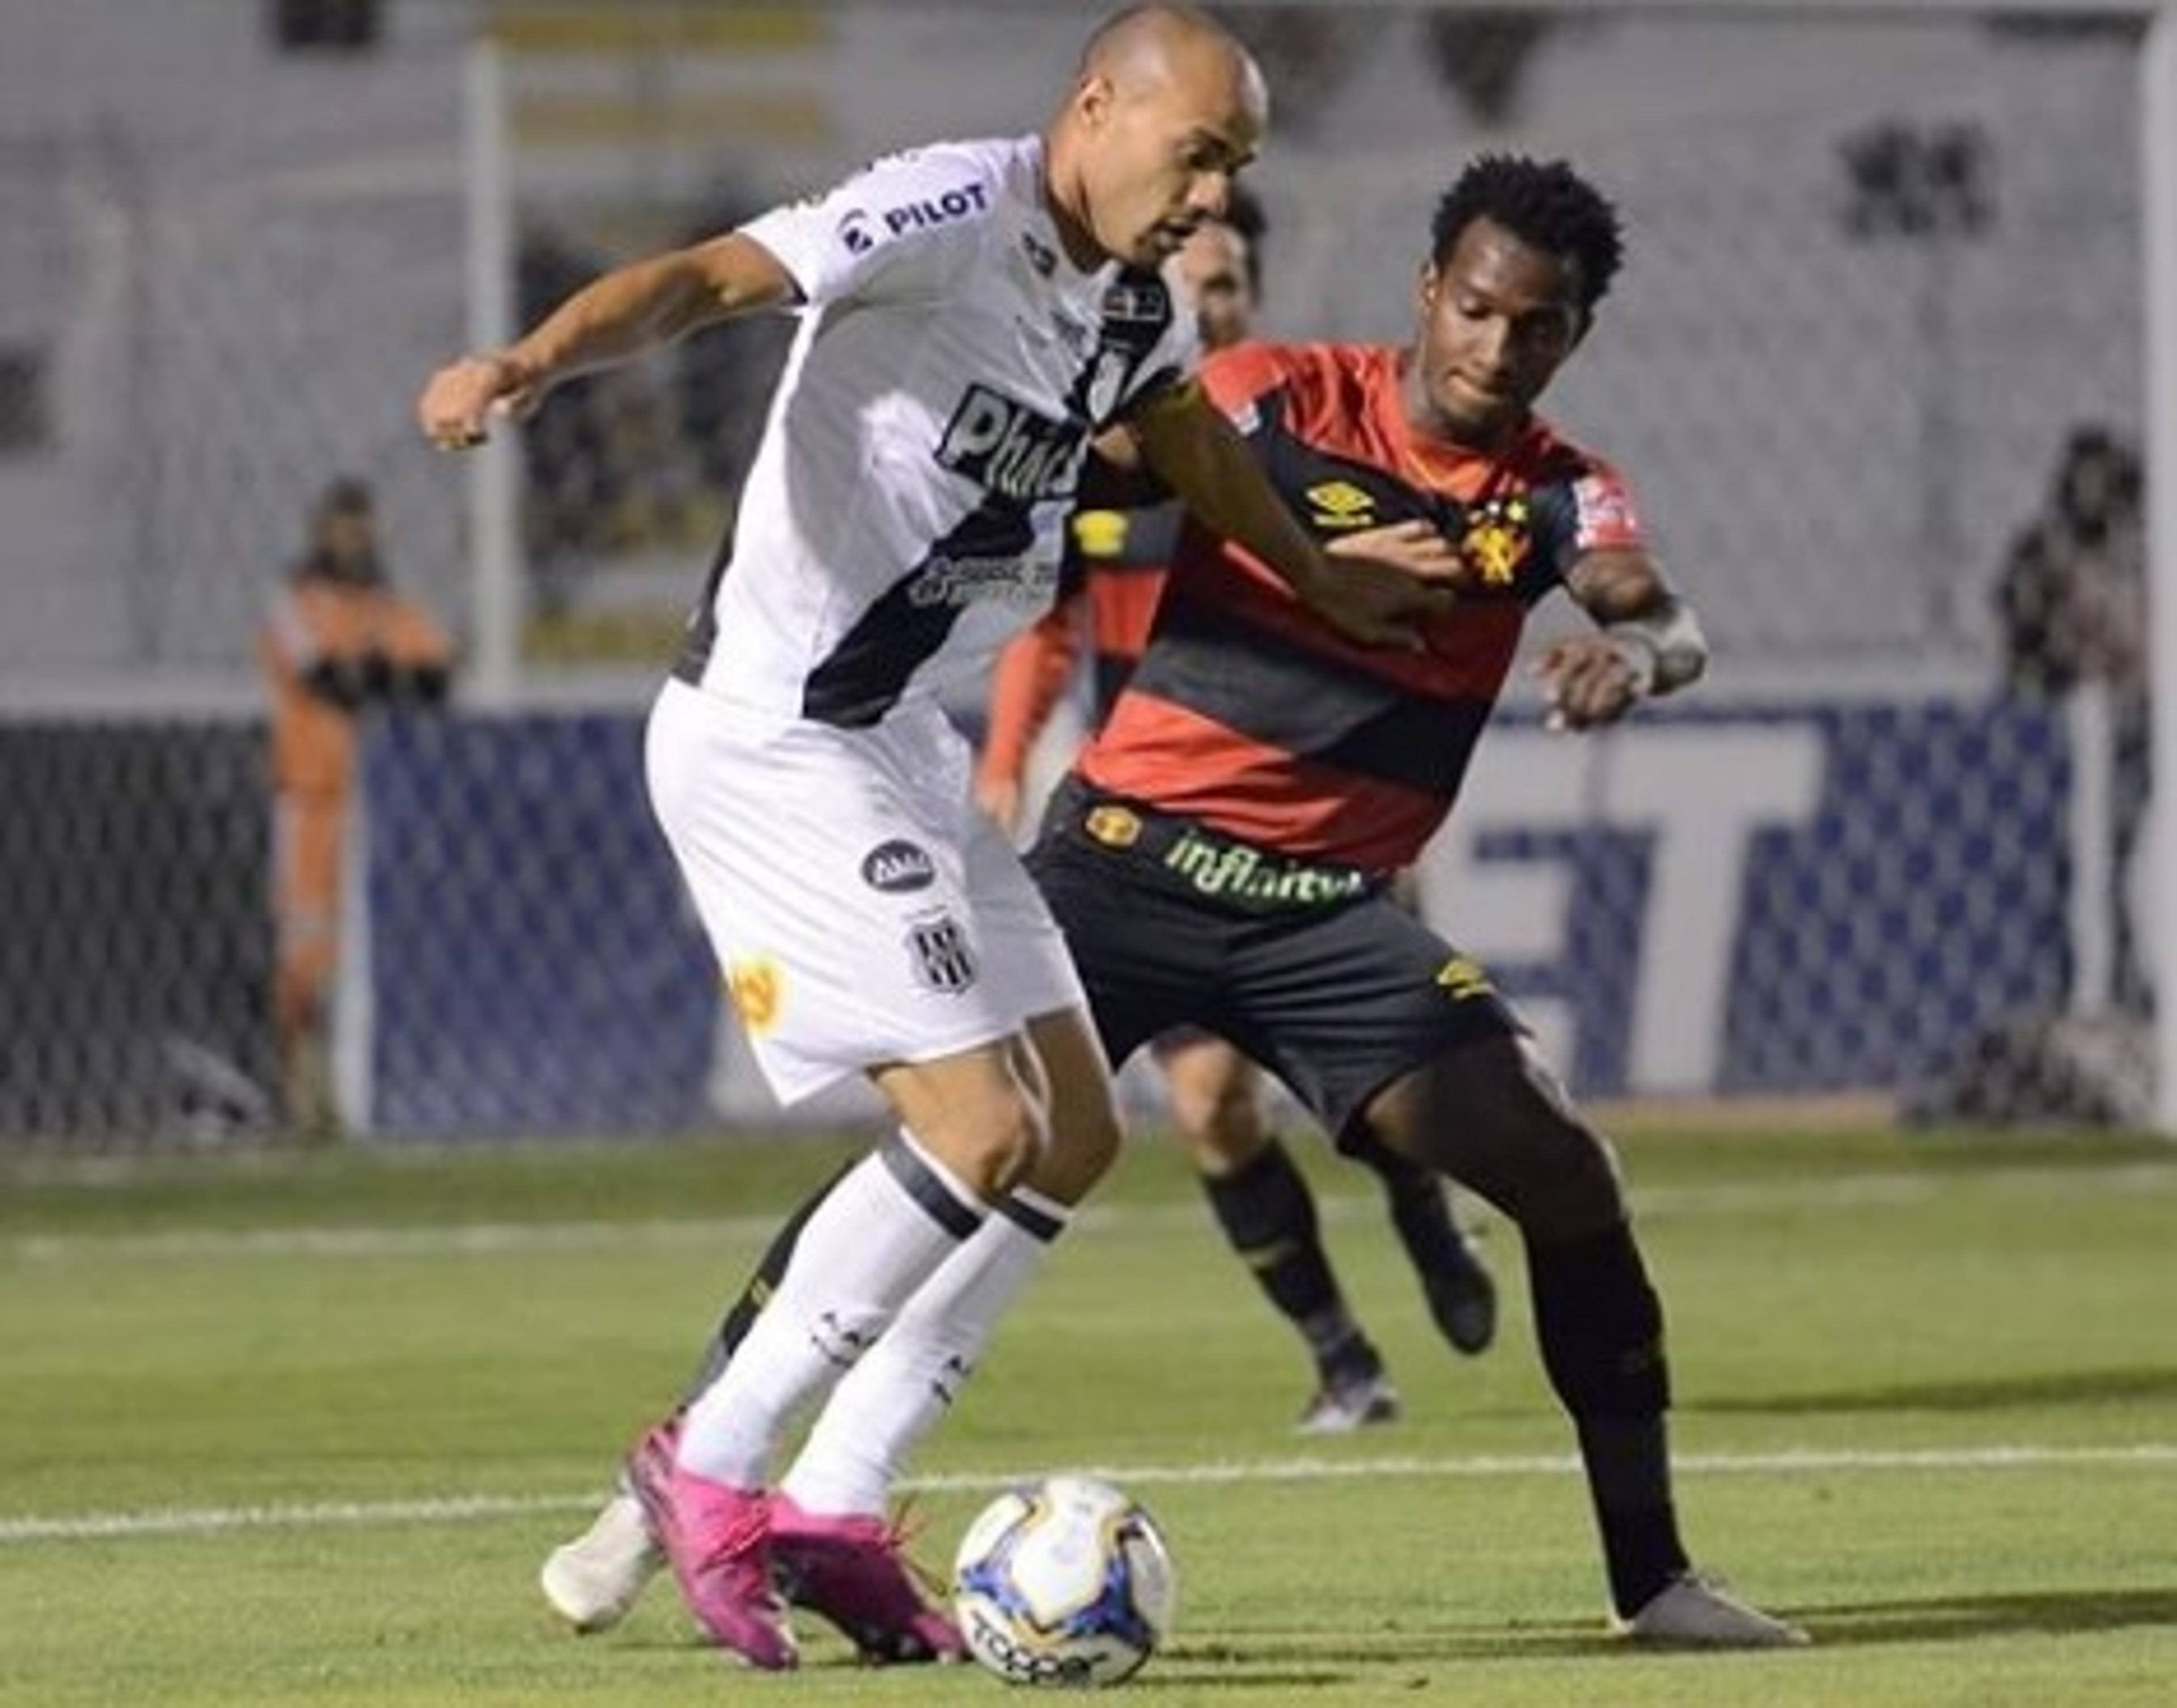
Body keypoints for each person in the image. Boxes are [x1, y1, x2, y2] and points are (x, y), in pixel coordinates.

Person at [545, 151, 1810, 1654]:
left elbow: (1651, 604)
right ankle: (688, 1468)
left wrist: (1638, 658)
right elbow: (1085, 466)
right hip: (1124, 863)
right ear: (1429, 292)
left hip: (1323, 918)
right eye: (1475, 308)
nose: (1495, 347)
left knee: (1563, 1169)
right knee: (953, 1148)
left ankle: (1653, 1576)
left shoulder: (1556, 494)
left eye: (1535, 328)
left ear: (1571, 337)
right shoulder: (1274, 395)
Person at [418, 3, 1461, 1673]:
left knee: (1069, 1133)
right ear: (1097, 107)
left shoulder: (1128, 304)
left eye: (1234, 173)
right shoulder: (944, 211)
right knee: (975, 1123)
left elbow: (1190, 446)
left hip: (901, 741)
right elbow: (705, 279)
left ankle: (837, 1500)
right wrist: (532, 361)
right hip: (773, 736)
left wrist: (1333, 577)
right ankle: (716, 1459)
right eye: (1199, 156)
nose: (1210, 200)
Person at [975, 187, 1497, 1434]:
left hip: (1317, 815)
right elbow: (1046, 620)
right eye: (1188, 284)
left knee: (1377, 1104)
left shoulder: (1317, 441)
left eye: (1226, 285)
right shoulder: (1113, 455)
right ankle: (1344, 1359)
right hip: (1159, 830)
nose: (1207, 305)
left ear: (1254, 293)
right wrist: (1003, 761)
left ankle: (1421, 1204)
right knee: (1209, 1107)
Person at [257, 477, 454, 1131]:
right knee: (307, 948)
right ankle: (302, 1093)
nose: (355, 541)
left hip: (383, 805)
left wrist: (375, 674)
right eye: (344, 527)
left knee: (376, 946)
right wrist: (379, 674)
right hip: (312, 800)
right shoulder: (296, 604)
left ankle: (364, 1089)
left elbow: (433, 678)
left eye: (362, 527)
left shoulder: (390, 605)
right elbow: (331, 680)